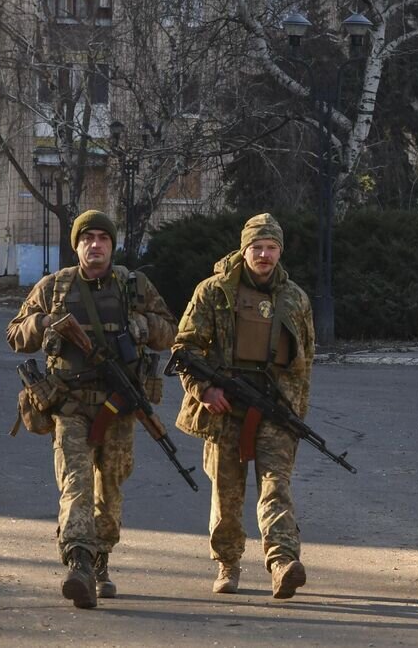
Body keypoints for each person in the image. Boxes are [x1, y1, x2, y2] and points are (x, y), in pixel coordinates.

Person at [6, 210, 176, 609]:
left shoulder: (133, 287)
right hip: (70, 405)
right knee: (76, 484)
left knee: (110, 487)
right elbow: (15, 334)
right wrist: (44, 322)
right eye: (87, 238)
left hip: (118, 406)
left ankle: (101, 558)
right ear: (77, 245)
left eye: (102, 237)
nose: (95, 244)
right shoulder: (55, 287)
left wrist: (142, 325)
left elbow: (169, 332)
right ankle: (78, 563)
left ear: (112, 245)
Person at [171, 213, 315, 599]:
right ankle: (228, 563)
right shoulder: (214, 292)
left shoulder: (295, 299)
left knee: (276, 487)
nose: (264, 255)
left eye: (271, 248)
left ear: (280, 251)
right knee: (227, 492)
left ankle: (283, 562)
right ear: (243, 249)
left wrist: (294, 413)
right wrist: (203, 389)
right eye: (257, 248)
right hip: (224, 406)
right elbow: (185, 348)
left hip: (275, 406)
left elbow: (306, 359)